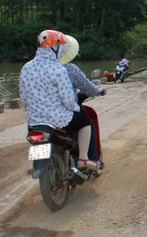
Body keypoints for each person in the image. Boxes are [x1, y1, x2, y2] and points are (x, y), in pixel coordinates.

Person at [19, 30, 99, 170]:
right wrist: (77, 109)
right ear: (55, 47)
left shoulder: (26, 68)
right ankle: (84, 159)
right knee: (85, 122)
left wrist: (33, 112)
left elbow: (24, 99)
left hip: (35, 121)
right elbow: (68, 101)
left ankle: (39, 163)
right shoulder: (58, 69)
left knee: (35, 133)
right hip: (58, 120)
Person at [58, 34, 106, 105]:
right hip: (66, 112)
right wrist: (100, 90)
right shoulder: (70, 69)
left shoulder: (36, 68)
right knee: (86, 116)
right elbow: (87, 87)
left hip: (39, 112)